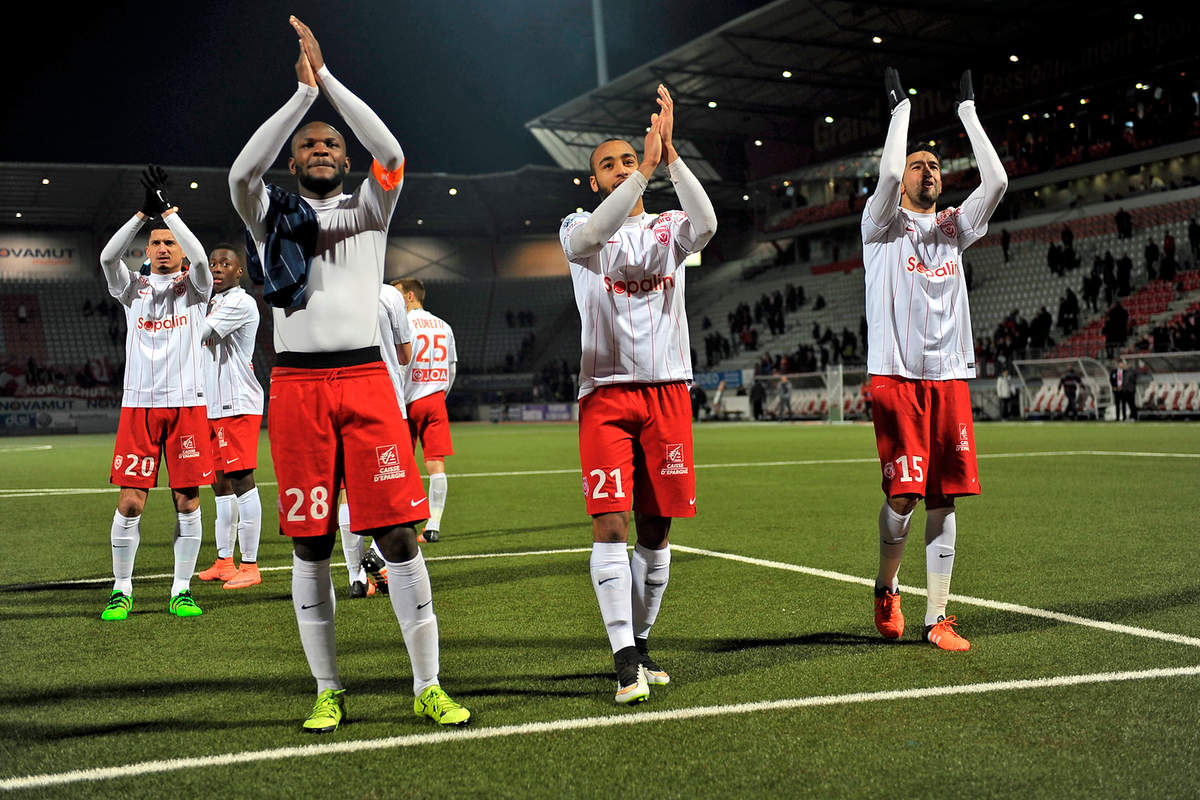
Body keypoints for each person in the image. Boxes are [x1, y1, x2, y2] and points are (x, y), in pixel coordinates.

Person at [229, 16, 469, 733]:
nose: (324, 148)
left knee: (397, 538)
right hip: (298, 387)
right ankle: (327, 688)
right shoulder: (270, 212)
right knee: (309, 542)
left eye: (332, 142)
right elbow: (242, 172)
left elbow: (391, 150)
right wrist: (300, 101)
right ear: (295, 159)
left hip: (367, 383)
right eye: (311, 144)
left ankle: (427, 683)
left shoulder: (372, 206)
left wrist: (327, 80)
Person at [559, 83, 716, 703]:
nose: (622, 168)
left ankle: (643, 643)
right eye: (609, 165)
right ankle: (622, 654)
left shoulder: (669, 228)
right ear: (594, 183)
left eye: (629, 159)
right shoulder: (580, 227)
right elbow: (586, 240)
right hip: (605, 396)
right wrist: (646, 168)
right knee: (610, 525)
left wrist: (671, 159)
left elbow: (706, 223)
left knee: (656, 529)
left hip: (669, 395)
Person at [861, 68, 1007, 653]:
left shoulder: (953, 229)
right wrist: (901, 112)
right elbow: (891, 171)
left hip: (949, 375)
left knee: (945, 495)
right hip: (896, 376)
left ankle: (937, 617)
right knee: (904, 496)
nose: (928, 171)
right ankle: (886, 585)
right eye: (922, 165)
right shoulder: (880, 225)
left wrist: (969, 111)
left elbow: (995, 182)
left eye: (936, 166)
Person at [99, 166, 213, 622]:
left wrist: (169, 213)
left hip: (186, 406)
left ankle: (181, 589)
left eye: (170, 243)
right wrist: (143, 214)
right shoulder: (135, 290)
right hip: (139, 408)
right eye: (156, 243)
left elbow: (204, 260)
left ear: (180, 252)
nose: (163, 248)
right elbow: (109, 259)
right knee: (131, 502)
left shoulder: (194, 289)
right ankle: (121, 589)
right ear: (146, 251)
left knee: (187, 500)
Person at [339, 279, 414, 597]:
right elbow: (405, 355)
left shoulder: (325, 292)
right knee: (396, 492)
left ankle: (356, 577)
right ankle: (380, 554)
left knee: (347, 492)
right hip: (387, 403)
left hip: (340, 403)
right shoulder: (389, 295)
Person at [196, 245, 265, 590]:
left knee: (241, 480)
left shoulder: (240, 302)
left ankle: (250, 565)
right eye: (212, 264)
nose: (217, 269)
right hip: (212, 404)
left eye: (225, 264)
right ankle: (225, 560)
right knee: (219, 484)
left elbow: (199, 334)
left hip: (237, 403)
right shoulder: (212, 303)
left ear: (240, 271)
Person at [397, 278, 457, 544]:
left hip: (408, 401)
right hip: (436, 399)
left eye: (398, 295)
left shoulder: (404, 324)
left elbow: (401, 366)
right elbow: (452, 366)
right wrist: (440, 393)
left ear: (410, 296)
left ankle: (406, 518)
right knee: (436, 463)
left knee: (402, 464)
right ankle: (433, 525)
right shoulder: (444, 325)